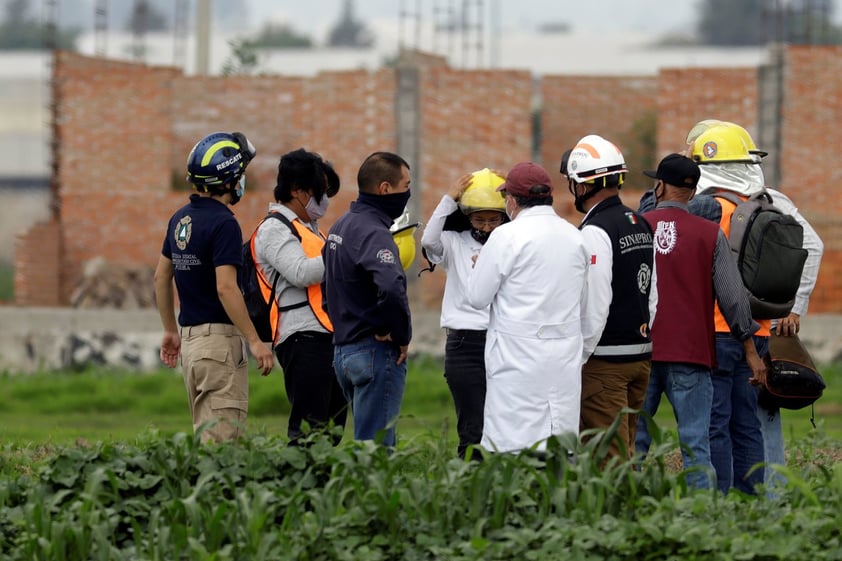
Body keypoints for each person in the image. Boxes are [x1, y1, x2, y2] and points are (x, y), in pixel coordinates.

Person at [680, 120, 824, 490]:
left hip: (717, 331)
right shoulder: (766, 201)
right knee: (751, 421)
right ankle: (760, 500)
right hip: (757, 330)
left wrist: (794, 308)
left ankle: (724, 502)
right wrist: (789, 307)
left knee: (719, 423)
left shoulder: (705, 209)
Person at [635, 153, 764, 489]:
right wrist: (750, 349)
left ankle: (625, 517)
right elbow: (733, 297)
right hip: (691, 354)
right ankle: (706, 521)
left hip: (642, 351)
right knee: (696, 447)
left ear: (659, 186)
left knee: (633, 447)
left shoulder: (637, 228)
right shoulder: (709, 233)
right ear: (692, 193)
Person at [154, 131, 274, 444]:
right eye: (241, 175)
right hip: (219, 346)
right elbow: (226, 288)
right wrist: (255, 340)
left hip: (191, 347)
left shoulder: (180, 219)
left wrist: (170, 330)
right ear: (231, 180)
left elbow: (160, 277)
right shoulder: (224, 224)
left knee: (205, 441)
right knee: (223, 449)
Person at [465, 162, 589, 454]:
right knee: (558, 443)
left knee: (513, 444)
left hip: (516, 358)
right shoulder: (575, 236)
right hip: (563, 354)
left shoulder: (506, 237)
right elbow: (585, 302)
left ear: (511, 200)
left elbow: (477, 297)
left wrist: (479, 265)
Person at [565, 134, 657, 461]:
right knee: (626, 450)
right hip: (640, 356)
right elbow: (653, 295)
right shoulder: (640, 222)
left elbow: (596, 300)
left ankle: (613, 513)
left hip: (604, 362)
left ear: (583, 184)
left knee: (608, 459)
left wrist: (581, 356)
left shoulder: (595, 230)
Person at [252, 148, 348, 445]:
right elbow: (302, 272)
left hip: (326, 336)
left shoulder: (310, 230)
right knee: (308, 432)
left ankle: (321, 488)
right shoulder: (273, 229)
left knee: (331, 430)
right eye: (319, 192)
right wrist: (344, 251)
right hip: (302, 338)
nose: (325, 201)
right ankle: (299, 487)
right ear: (297, 191)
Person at [322, 151, 413, 449]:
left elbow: (328, 286)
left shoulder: (340, 226)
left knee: (365, 443)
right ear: (385, 189)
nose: (408, 194)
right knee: (376, 451)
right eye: (405, 186)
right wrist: (400, 333)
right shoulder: (374, 232)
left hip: (343, 352)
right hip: (373, 351)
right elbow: (391, 284)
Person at [420, 168, 508, 460]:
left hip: (503, 340)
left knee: (504, 419)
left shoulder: (509, 243)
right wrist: (448, 198)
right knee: (472, 424)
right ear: (467, 215)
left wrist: (514, 192)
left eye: (493, 219)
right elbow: (428, 241)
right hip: (464, 344)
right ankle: (470, 482)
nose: (486, 226)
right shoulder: (454, 241)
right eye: (479, 219)